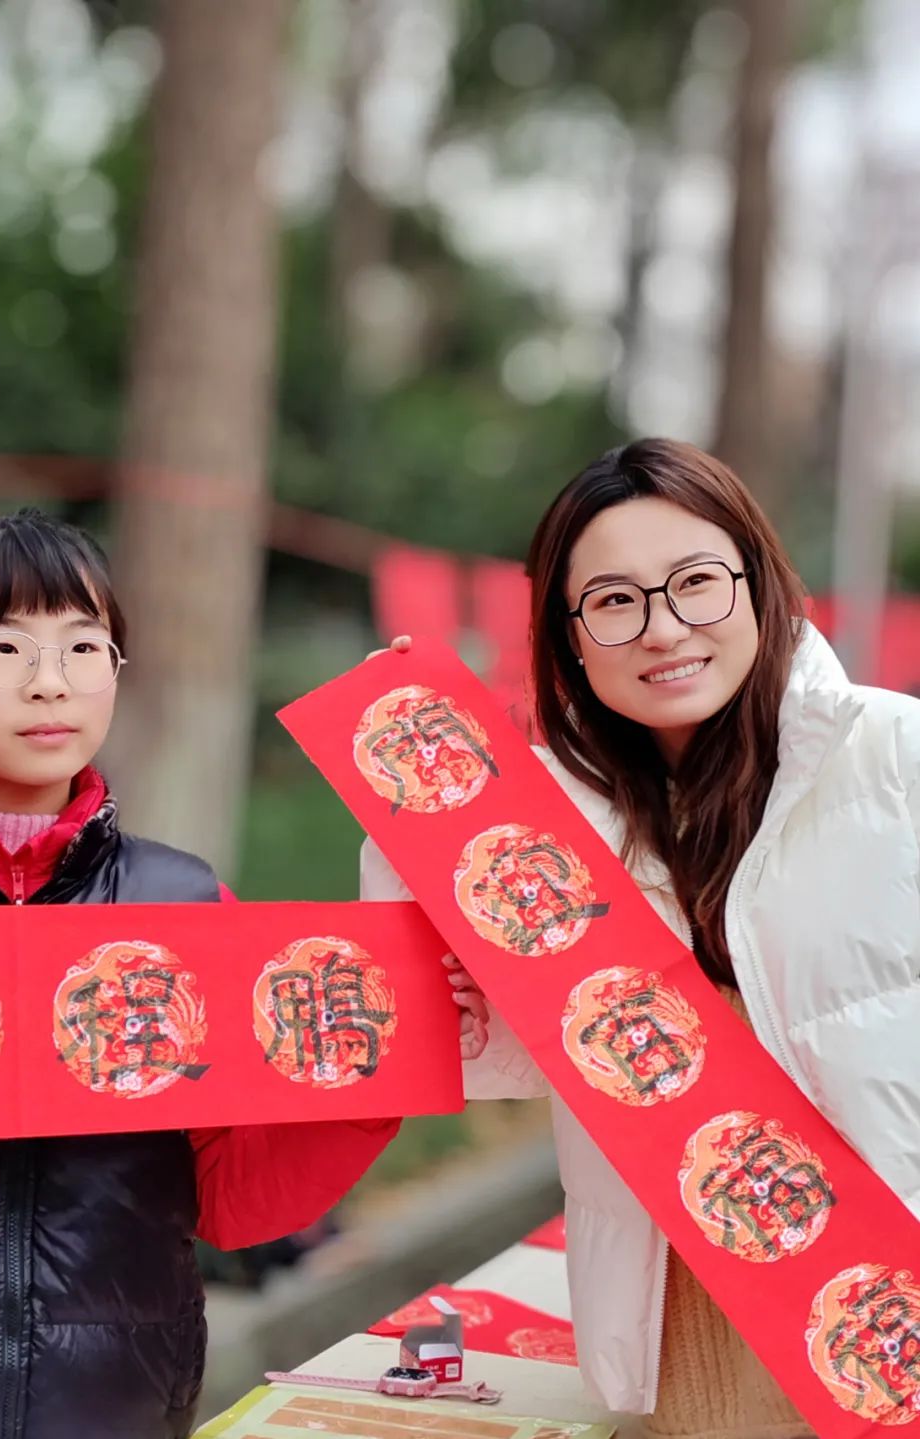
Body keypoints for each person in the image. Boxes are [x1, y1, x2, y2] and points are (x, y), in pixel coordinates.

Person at [362, 438, 920, 1439]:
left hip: (889, 1343)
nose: (664, 628)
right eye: (615, 600)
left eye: (697, 583)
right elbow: (475, 1050)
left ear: (758, 583)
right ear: (569, 635)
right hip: (682, 1360)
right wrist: (406, 780)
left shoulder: (896, 758)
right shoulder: (545, 824)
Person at [0, 510, 413, 1439]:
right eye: (5, 645)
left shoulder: (185, 905)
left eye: (83, 645)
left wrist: (374, 1069)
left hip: (121, 1407)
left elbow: (229, 1197)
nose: (49, 681)